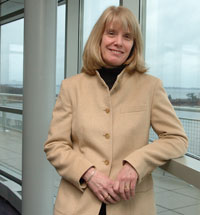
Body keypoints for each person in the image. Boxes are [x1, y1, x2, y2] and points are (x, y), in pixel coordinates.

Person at [44, 6, 188, 215]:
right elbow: (55, 145)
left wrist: (136, 164)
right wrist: (89, 173)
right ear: (99, 38)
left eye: (127, 37)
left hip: (131, 205)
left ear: (133, 45)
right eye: (111, 33)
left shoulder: (151, 87)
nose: (118, 42)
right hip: (77, 205)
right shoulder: (71, 87)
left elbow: (177, 138)